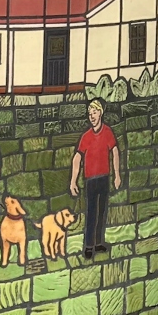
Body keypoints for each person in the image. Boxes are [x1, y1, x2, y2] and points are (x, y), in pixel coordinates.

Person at [69, 99, 123, 258]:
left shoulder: (107, 132)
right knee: (91, 212)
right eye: (89, 113)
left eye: (94, 112)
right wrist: (73, 180)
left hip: (104, 177)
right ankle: (88, 245)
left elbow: (114, 152)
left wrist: (117, 175)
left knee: (102, 212)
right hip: (90, 180)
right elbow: (77, 158)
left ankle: (99, 242)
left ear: (100, 113)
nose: (91, 116)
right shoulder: (86, 137)